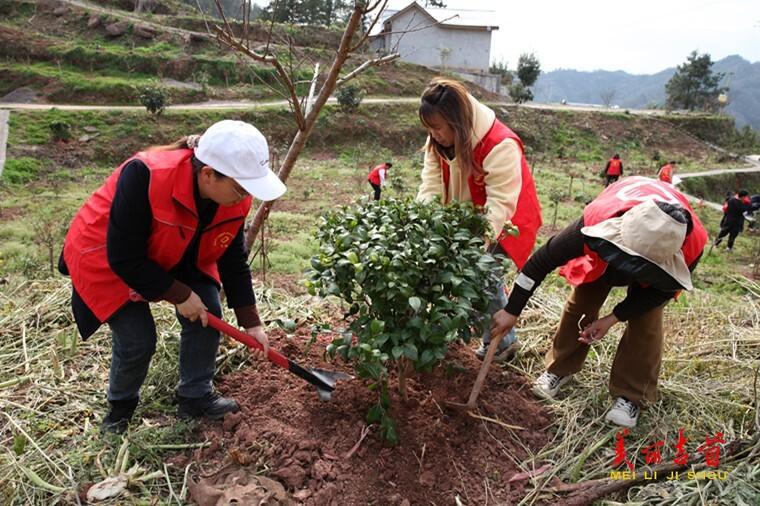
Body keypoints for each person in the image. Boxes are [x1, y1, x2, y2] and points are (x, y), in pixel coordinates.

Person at [59, 120, 286, 433]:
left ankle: (195, 397)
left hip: (175, 248)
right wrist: (178, 294)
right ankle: (119, 412)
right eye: (241, 187)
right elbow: (124, 256)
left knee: (207, 314)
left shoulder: (233, 197)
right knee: (138, 339)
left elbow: (233, 258)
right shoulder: (146, 175)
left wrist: (251, 321)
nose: (245, 196)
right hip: (106, 255)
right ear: (208, 174)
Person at [488, 177, 708, 427]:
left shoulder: (691, 247)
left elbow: (660, 293)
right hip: (607, 252)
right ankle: (559, 368)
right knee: (581, 303)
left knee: (646, 323)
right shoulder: (597, 220)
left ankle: (631, 396)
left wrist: (613, 318)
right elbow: (540, 262)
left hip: (656, 274)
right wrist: (512, 309)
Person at [416, 77, 542, 363]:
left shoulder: (500, 144)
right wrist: (424, 222)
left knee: (485, 276)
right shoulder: (437, 140)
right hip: (466, 214)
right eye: (429, 128)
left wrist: (476, 247)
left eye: (437, 128)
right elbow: (431, 186)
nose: (433, 135)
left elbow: (500, 205)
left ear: (457, 123)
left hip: (508, 219)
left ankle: (503, 343)